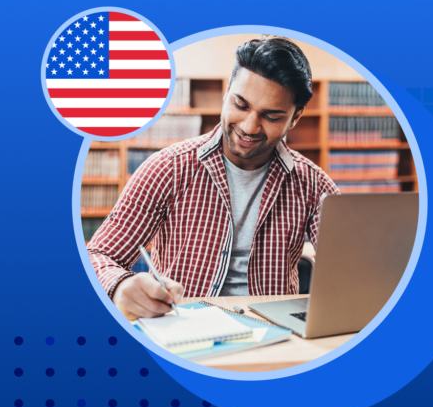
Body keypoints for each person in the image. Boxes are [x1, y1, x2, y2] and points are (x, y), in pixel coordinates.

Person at [88, 38, 339, 320]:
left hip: (280, 337)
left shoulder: (314, 186)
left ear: (295, 118)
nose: (249, 126)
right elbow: (98, 255)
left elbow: (352, 268)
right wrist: (120, 286)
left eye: (270, 116)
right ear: (226, 93)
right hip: (184, 333)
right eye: (240, 104)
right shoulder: (167, 168)